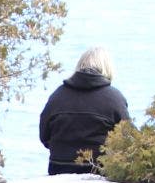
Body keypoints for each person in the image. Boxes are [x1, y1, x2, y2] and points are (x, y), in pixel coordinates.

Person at [38, 47, 130, 176]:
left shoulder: (57, 96)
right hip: (100, 170)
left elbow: (44, 136)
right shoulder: (114, 98)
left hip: (59, 167)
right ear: (107, 68)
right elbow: (128, 138)